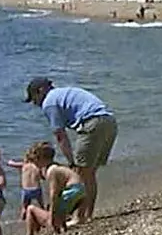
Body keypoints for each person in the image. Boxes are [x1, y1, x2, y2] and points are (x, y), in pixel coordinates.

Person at [24, 77, 118, 226]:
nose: (35, 103)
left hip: (92, 123)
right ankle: (87, 214)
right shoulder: (63, 92)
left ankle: (79, 217)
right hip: (109, 122)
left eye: (34, 98)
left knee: (80, 173)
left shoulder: (49, 102)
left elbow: (60, 136)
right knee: (89, 173)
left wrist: (71, 161)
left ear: (40, 91)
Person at [23, 141, 84, 234]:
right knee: (52, 209)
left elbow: (54, 194)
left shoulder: (52, 171)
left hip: (72, 191)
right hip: (79, 190)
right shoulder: (57, 166)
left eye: (35, 161)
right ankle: (60, 224)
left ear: (41, 159)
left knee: (31, 209)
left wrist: (52, 216)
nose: (34, 165)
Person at [6, 146, 45, 235]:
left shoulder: (23, 165)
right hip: (36, 189)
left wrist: (9, 161)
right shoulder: (37, 167)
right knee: (41, 205)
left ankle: (22, 221)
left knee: (24, 207)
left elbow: (11, 164)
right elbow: (42, 177)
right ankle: (43, 218)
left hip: (26, 190)